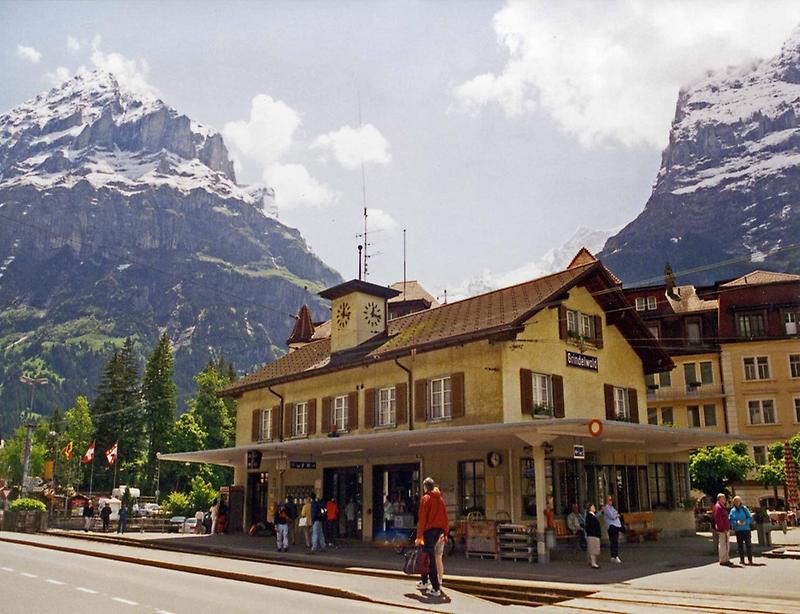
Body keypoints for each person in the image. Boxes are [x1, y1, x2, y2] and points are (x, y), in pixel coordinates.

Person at [415, 477, 449, 598]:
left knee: (429, 558)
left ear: (425, 487)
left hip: (429, 532)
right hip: (439, 531)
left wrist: (419, 536)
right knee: (433, 557)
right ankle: (425, 581)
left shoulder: (426, 498)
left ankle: (435, 587)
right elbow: (445, 517)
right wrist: (445, 533)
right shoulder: (440, 499)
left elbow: (422, 518)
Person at [729, 496, 754, 565]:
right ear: (734, 502)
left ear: (740, 501)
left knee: (748, 545)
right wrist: (736, 522)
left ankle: (750, 560)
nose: (737, 502)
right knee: (740, 546)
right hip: (738, 530)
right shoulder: (732, 510)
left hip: (746, 529)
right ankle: (742, 560)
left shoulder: (744, 509)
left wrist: (745, 522)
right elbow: (731, 520)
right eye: (735, 501)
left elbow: (750, 518)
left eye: (738, 501)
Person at [601, 495, 622, 563]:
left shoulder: (612, 507)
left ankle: (614, 555)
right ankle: (614, 556)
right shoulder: (606, 508)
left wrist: (616, 515)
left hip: (616, 526)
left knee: (615, 541)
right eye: (609, 500)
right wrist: (617, 515)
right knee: (614, 541)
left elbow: (616, 513)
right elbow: (613, 516)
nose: (611, 501)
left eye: (611, 500)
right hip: (612, 526)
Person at [713, 493, 732, 566]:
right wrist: (723, 528)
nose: (725, 499)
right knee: (723, 544)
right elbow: (718, 519)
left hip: (725, 528)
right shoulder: (718, 507)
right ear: (720, 498)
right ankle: (723, 560)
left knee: (726, 544)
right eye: (723, 498)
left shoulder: (722, 506)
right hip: (722, 529)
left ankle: (726, 559)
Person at [584, 502, 602, 569]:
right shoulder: (589, 516)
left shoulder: (593, 516)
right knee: (593, 549)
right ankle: (593, 563)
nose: (594, 508)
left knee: (595, 549)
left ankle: (592, 561)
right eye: (593, 507)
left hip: (595, 534)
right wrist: (593, 532)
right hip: (592, 535)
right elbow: (589, 526)